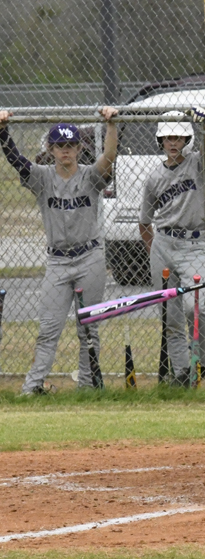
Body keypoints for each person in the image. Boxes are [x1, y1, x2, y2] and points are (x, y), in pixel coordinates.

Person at [0, 108, 119, 394]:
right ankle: (32, 387)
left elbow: (109, 158)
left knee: (88, 328)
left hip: (90, 257)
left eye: (71, 145)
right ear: (51, 149)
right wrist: (3, 131)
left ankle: (88, 388)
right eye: (60, 146)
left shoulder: (90, 176)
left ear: (80, 148)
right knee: (48, 328)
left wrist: (112, 125)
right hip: (58, 261)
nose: (66, 151)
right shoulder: (42, 177)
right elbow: (16, 161)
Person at [138, 109, 205, 386]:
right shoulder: (154, 177)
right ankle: (181, 372)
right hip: (164, 242)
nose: (172, 143)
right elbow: (144, 222)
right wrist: (154, 249)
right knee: (170, 314)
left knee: (198, 309)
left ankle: (201, 362)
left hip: (194, 243)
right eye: (167, 137)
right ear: (160, 141)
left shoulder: (197, 163)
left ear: (186, 139)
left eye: (178, 137)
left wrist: (204, 126)